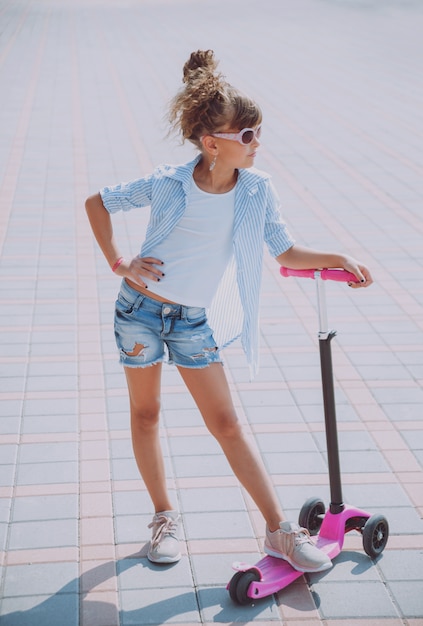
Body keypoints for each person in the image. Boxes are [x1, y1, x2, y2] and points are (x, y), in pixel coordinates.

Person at [85, 50, 372, 572]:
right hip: (139, 314)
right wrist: (120, 262)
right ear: (211, 142)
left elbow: (284, 251)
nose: (257, 143)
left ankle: (279, 532)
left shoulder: (257, 191)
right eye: (247, 135)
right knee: (145, 414)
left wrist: (338, 257)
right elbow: (97, 203)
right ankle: (164, 517)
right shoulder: (168, 181)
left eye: (258, 131)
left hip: (193, 322)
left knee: (227, 423)